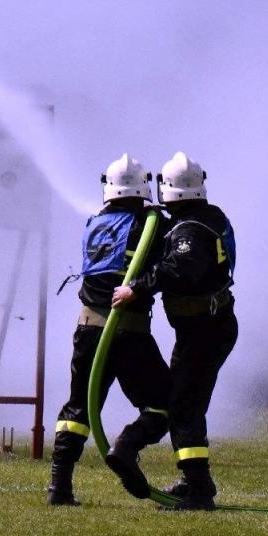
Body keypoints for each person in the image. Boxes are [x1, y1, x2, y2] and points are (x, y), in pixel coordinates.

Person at [45, 154, 172, 507]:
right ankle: (127, 446)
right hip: (128, 332)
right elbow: (165, 266)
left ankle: (59, 487)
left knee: (79, 408)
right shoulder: (150, 223)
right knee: (165, 403)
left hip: (87, 329)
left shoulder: (95, 222)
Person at [113, 151, 237, 510]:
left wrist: (137, 287)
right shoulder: (206, 218)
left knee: (184, 405)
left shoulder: (190, 231)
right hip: (205, 327)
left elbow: (180, 269)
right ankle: (194, 481)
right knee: (185, 403)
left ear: (166, 188)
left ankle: (198, 488)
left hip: (205, 330)